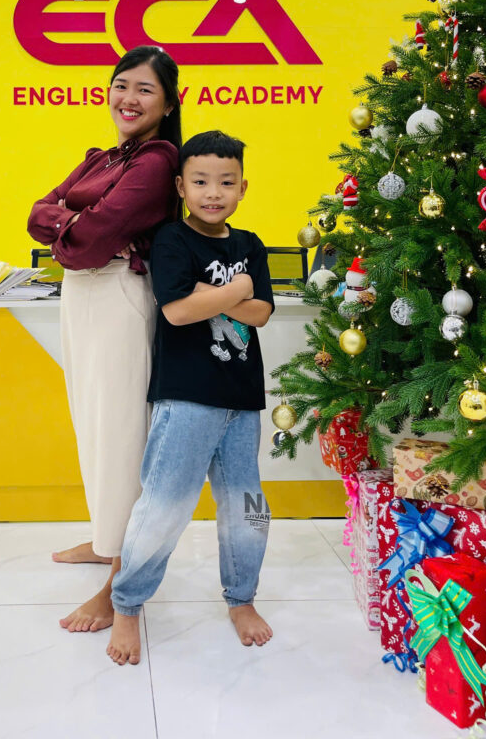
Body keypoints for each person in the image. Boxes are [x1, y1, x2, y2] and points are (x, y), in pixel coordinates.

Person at [27, 45, 182, 633]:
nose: (129, 98)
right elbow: (36, 213)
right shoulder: (103, 158)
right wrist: (71, 224)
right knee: (91, 423)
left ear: (169, 103)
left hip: (120, 295)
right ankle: (105, 539)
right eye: (121, 85)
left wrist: (69, 225)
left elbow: (92, 240)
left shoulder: (158, 161)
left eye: (145, 89)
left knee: (121, 435)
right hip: (82, 296)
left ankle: (123, 578)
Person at [107, 130, 274, 666]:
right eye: (200, 181)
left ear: (243, 187)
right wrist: (237, 290)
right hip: (185, 400)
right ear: (180, 186)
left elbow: (261, 313)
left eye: (226, 182)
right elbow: (177, 312)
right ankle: (127, 604)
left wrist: (212, 295)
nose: (213, 192)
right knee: (163, 506)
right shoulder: (171, 241)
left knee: (249, 509)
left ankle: (242, 598)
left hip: (241, 402)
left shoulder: (249, 244)